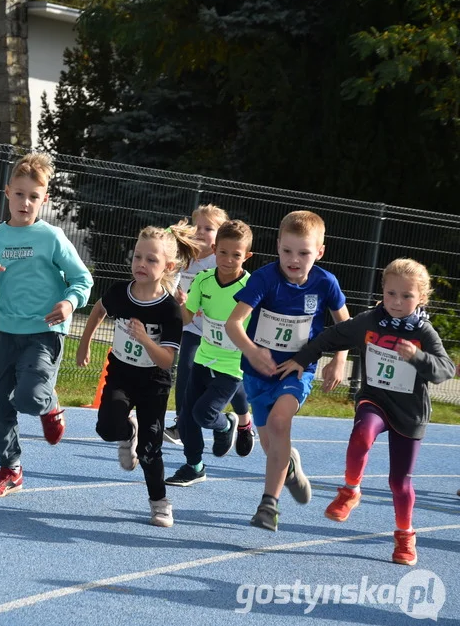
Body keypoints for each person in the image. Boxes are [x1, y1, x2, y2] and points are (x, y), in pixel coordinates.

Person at [279, 259, 454, 565]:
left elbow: (445, 370)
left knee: (399, 483)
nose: (397, 302)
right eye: (391, 294)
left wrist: (418, 357)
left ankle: (404, 536)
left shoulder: (423, 333)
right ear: (382, 292)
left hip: (409, 412)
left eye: (406, 296)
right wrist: (301, 359)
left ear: (421, 299)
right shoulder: (370, 321)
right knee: (361, 434)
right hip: (375, 399)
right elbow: (329, 337)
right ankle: (350, 490)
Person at [0, 152, 92, 496]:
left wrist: (69, 302)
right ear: (7, 193)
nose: (25, 202)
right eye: (19, 194)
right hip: (5, 334)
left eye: (34, 196)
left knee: (31, 399)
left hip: (44, 334)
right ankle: (11, 467)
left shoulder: (52, 238)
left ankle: (49, 404)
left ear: (44, 199)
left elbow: (82, 279)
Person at [225, 210, 349, 531]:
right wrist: (252, 351)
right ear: (278, 245)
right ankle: (290, 467)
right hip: (257, 374)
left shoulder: (325, 283)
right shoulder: (264, 279)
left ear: (319, 252)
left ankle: (269, 506)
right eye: (287, 251)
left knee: (281, 422)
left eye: (304, 253)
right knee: (271, 448)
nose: (294, 260)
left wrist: (338, 359)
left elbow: (344, 326)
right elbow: (234, 323)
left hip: (296, 372)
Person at [77, 221, 200, 527]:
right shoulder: (121, 292)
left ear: (168, 266)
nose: (141, 264)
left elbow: (165, 360)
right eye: (137, 257)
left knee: (150, 449)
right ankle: (125, 432)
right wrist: (84, 343)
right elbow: (98, 310)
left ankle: (159, 503)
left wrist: (145, 338)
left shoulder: (169, 310)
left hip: (152, 384)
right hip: (121, 374)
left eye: (151, 259)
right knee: (106, 428)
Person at [166, 220, 254, 487]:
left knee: (204, 414)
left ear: (247, 256)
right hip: (204, 357)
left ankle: (226, 424)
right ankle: (194, 466)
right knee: (187, 415)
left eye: (236, 255)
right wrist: (166, 310)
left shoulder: (251, 288)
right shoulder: (203, 280)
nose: (228, 260)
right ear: (214, 250)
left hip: (233, 364)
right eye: (223, 252)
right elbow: (186, 316)